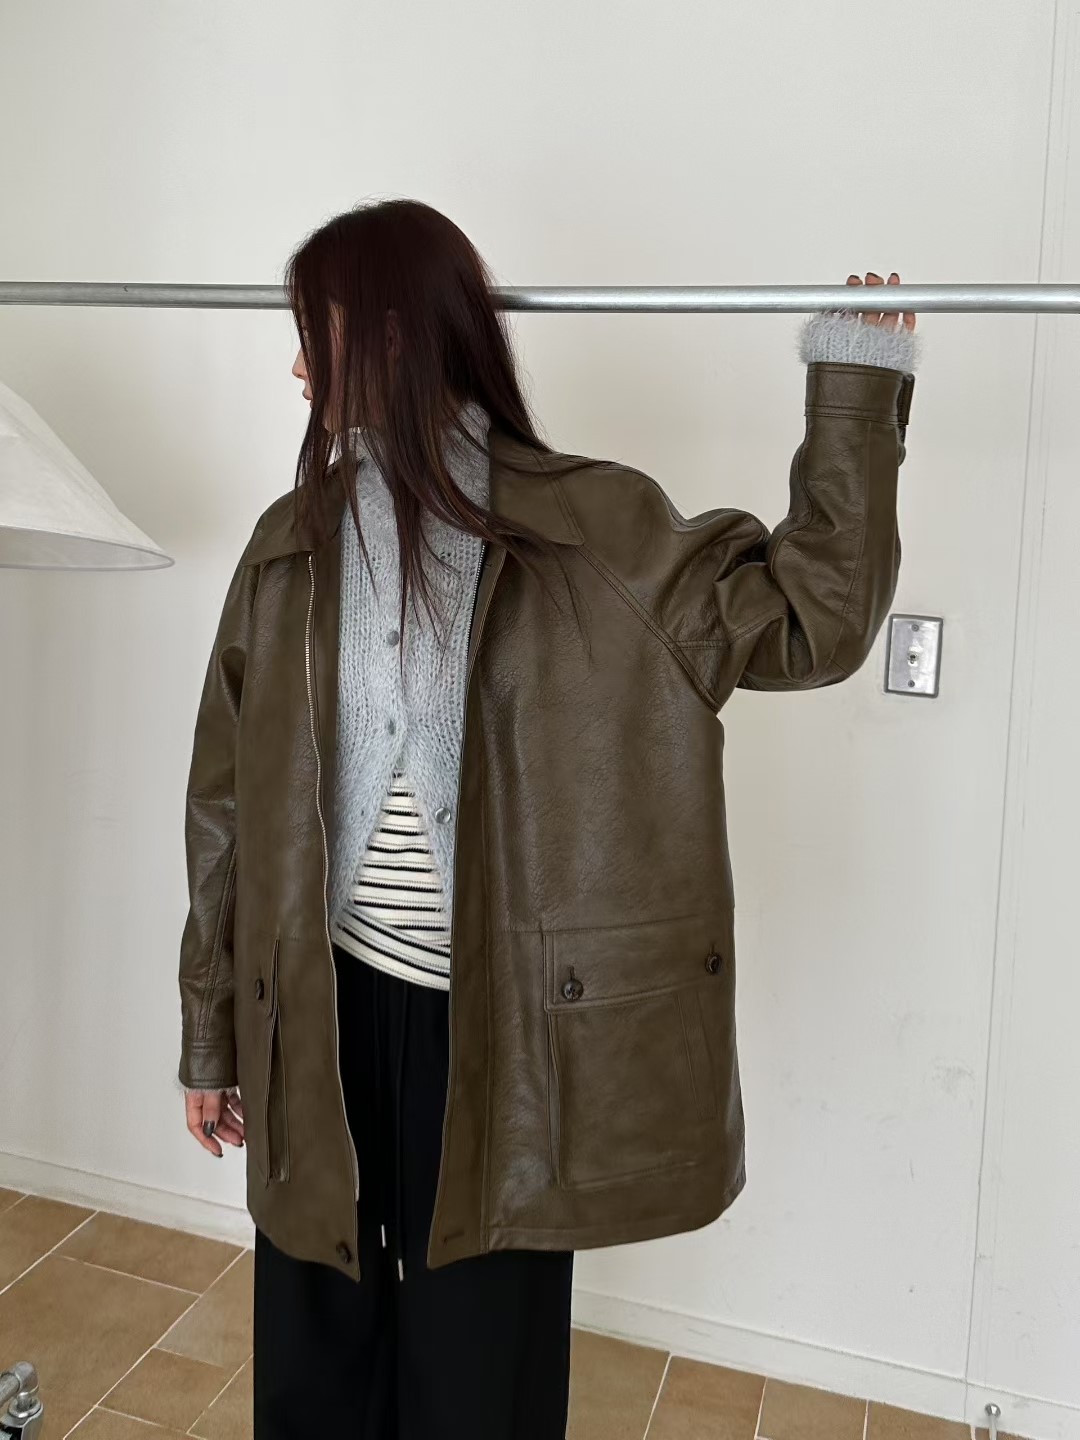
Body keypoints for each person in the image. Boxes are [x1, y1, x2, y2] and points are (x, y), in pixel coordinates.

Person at [177, 198, 919, 1440]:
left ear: (395, 334)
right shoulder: (288, 542)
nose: (298, 366)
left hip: (499, 1033)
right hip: (314, 1011)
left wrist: (857, 387)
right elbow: (225, 805)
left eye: (316, 331)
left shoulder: (597, 529)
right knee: (314, 1374)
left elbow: (814, 620)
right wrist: (211, 1030)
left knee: (479, 1386)